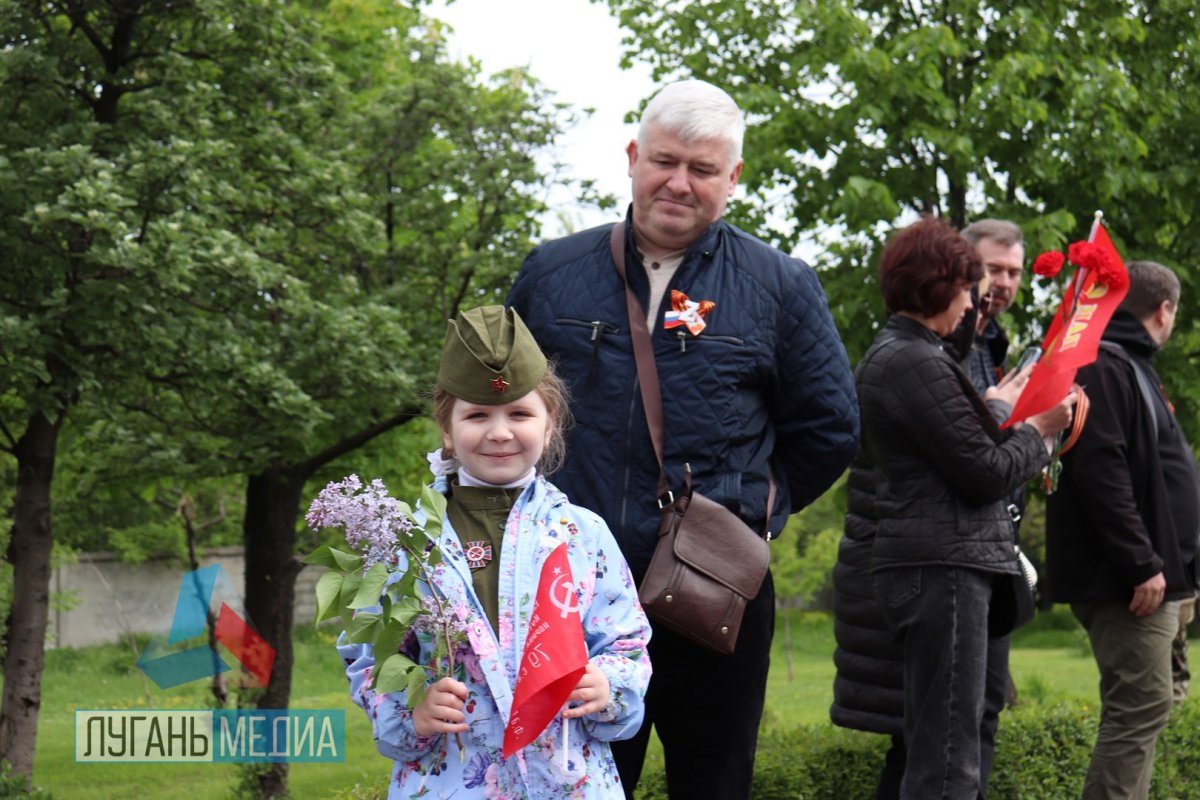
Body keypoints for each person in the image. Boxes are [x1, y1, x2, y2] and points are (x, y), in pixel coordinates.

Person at [509, 79, 859, 799]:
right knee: (574, 780)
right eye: (665, 161)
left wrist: (745, 514)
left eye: (702, 169)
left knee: (714, 782)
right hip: (572, 594)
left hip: (714, 594)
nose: (679, 182)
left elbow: (830, 429)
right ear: (634, 157)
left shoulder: (781, 286)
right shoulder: (552, 276)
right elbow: (504, 407)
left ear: (732, 178)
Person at [338, 305, 653, 799]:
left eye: (521, 413)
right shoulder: (404, 540)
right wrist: (410, 710)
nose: (500, 432)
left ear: (550, 425)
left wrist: (606, 683)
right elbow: (365, 653)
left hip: (568, 779)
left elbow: (627, 642)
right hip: (448, 782)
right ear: (447, 429)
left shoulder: (582, 534)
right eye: (478, 415)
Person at [857, 216, 1075, 799]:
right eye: (968, 287)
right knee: (948, 761)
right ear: (940, 286)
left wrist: (996, 405)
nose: (973, 302)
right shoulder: (915, 359)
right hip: (943, 570)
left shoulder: (910, 355)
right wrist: (1040, 429)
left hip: (936, 565)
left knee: (944, 746)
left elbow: (955, 448)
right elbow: (986, 473)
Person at [1045, 260, 1200, 800]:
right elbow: (1100, 470)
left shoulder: (1126, 363)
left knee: (1149, 711)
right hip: (1130, 584)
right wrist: (1142, 562)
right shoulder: (1105, 365)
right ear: (1164, 311)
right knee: (1138, 711)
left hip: (1155, 577)